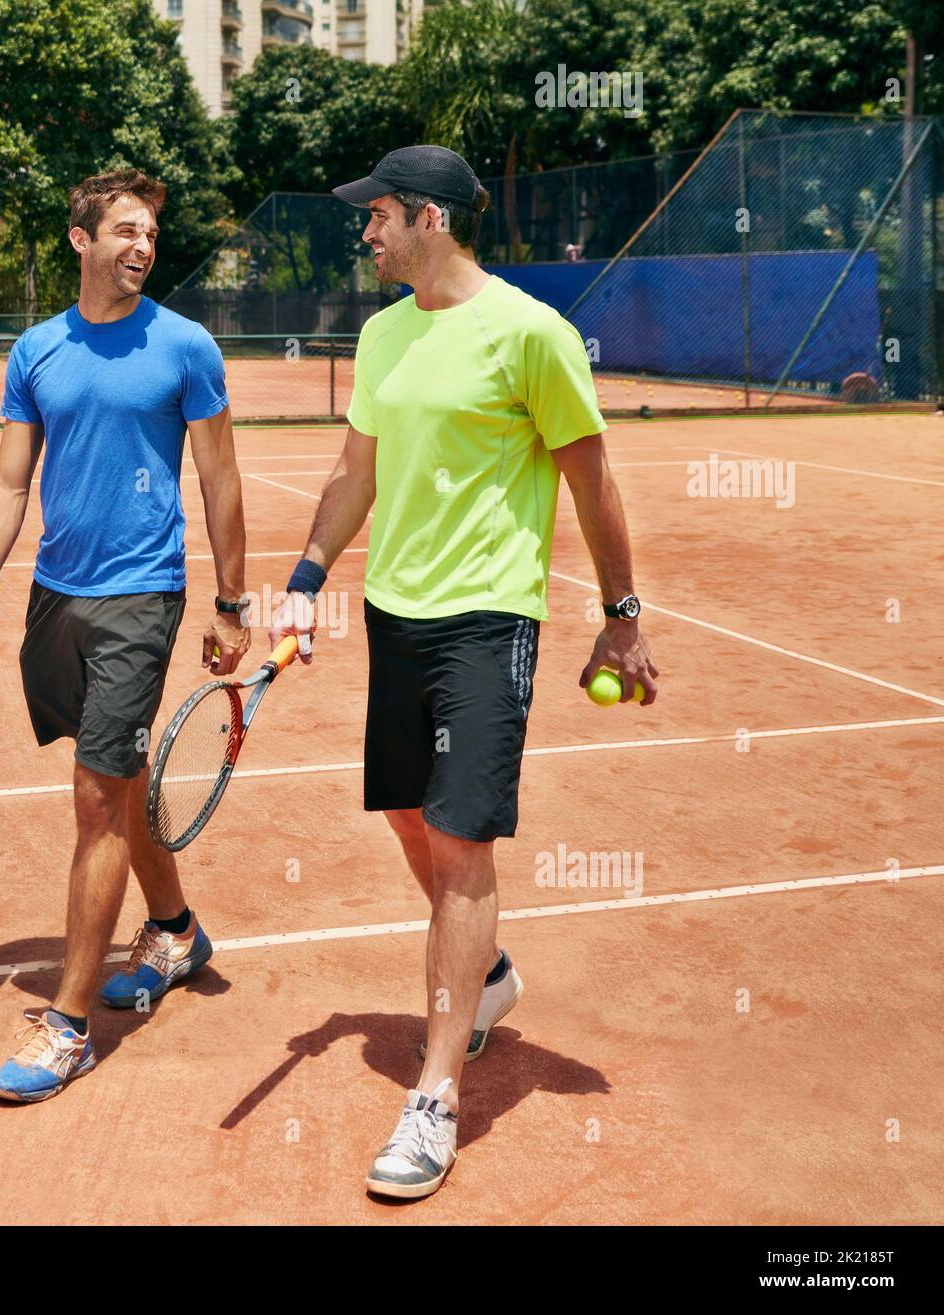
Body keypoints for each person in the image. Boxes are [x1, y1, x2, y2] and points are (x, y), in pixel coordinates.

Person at [267, 145, 659, 1198]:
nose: (366, 232)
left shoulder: (529, 333)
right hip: (396, 612)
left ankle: (433, 1097)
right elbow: (357, 472)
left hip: (489, 620)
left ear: (429, 219)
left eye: (377, 215)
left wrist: (620, 619)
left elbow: (592, 478)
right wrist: (305, 578)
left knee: (459, 837)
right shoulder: (385, 332)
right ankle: (485, 978)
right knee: (405, 815)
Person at [0, 168, 251, 1103]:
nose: (142, 243)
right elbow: (7, 484)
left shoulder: (186, 347)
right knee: (116, 787)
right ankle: (175, 931)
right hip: (56, 596)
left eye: (150, 230)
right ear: (80, 239)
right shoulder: (36, 352)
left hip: (141, 598)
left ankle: (68, 1026)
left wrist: (232, 605)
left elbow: (222, 477)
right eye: (124, 228)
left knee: (93, 797)